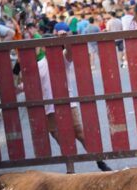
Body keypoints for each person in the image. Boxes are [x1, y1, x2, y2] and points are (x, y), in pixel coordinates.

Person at [40, 24, 111, 172]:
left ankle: (99, 161)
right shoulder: (38, 65)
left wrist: (66, 39)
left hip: (68, 103)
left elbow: (70, 50)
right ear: (43, 48)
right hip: (49, 107)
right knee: (61, 139)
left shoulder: (62, 59)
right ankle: (70, 169)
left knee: (81, 133)